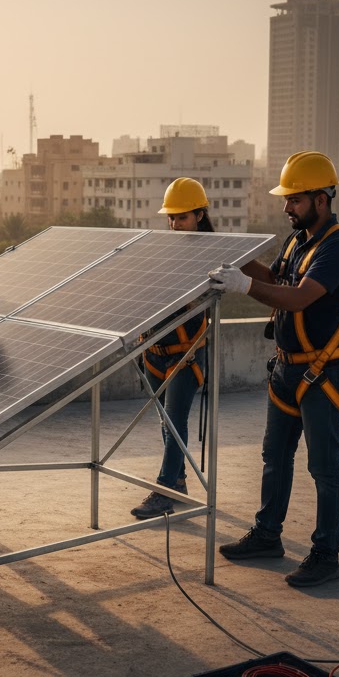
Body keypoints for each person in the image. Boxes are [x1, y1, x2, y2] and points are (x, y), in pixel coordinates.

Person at [209, 151, 339, 587]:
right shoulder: (298, 241)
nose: (287, 207)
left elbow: (298, 298)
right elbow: (275, 280)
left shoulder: (338, 247)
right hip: (286, 369)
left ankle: (326, 555)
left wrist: (243, 285)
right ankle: (267, 534)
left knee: (324, 467)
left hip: (322, 373)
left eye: (294, 199)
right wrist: (236, 258)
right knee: (275, 456)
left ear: (321, 199)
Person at [131, 177, 213, 519]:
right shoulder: (161, 251)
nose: (175, 224)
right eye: (172, 218)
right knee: (166, 423)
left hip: (186, 354)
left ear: (199, 216)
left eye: (182, 217)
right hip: (154, 352)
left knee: (175, 421)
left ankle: (164, 490)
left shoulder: (211, 255)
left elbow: (208, 300)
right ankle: (177, 482)